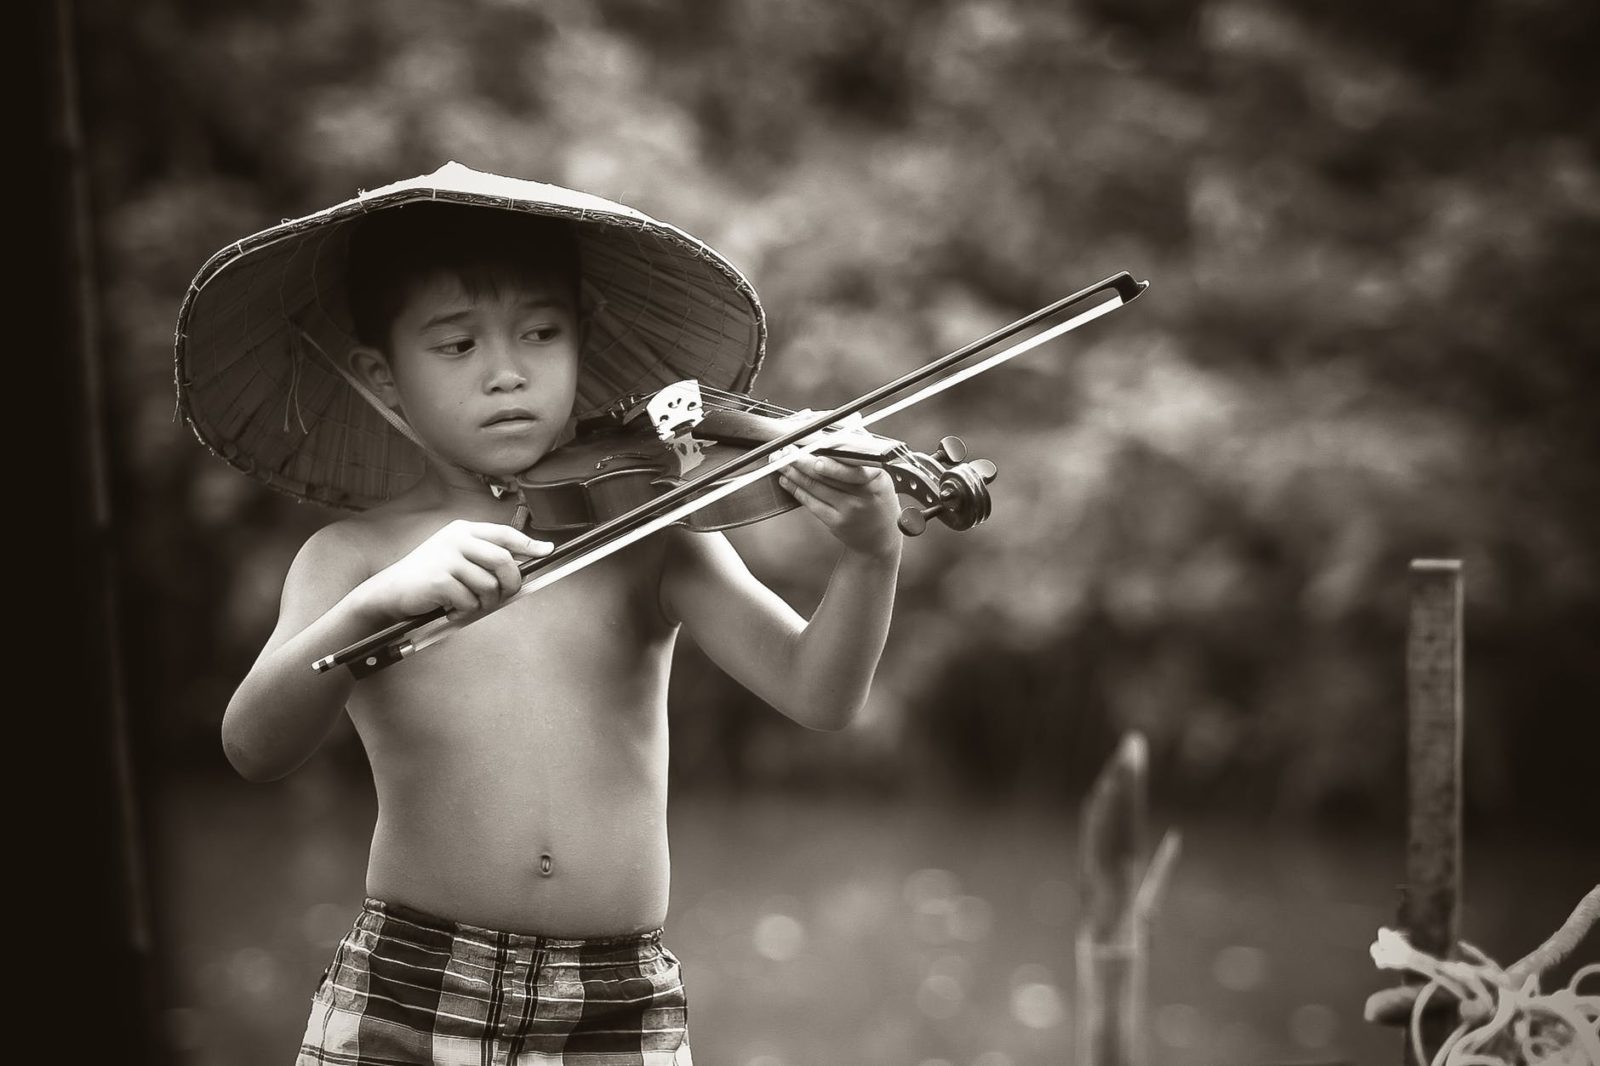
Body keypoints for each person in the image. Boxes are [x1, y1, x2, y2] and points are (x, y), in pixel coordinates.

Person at [175, 163, 903, 1064]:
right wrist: (375, 607)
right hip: (411, 980)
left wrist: (871, 554)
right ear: (382, 374)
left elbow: (817, 693)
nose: (507, 373)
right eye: (456, 346)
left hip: (617, 1000)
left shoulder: (646, 527)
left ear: (582, 342)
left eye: (541, 334)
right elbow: (253, 745)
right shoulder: (352, 559)